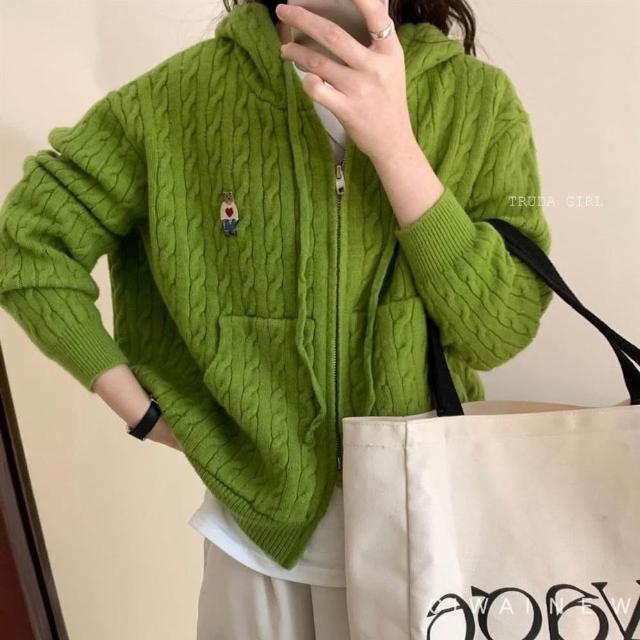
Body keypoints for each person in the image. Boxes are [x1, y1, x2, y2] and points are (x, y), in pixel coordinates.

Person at [0, 0, 554, 637]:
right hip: (255, 549)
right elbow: (29, 247)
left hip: (430, 538)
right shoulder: (175, 99)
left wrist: (396, 147)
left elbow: (500, 330)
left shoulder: (479, 104)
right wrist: (144, 413)